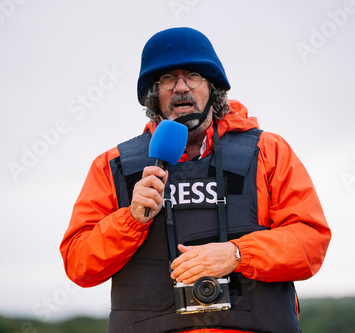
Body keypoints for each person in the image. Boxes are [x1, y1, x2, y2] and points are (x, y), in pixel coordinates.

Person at [60, 27, 331, 333]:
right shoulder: (113, 166)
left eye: (193, 76)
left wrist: (238, 254)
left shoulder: (268, 152)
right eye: (167, 79)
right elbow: (78, 264)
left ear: (213, 88)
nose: (180, 87)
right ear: (153, 94)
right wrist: (131, 220)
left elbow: (311, 241)